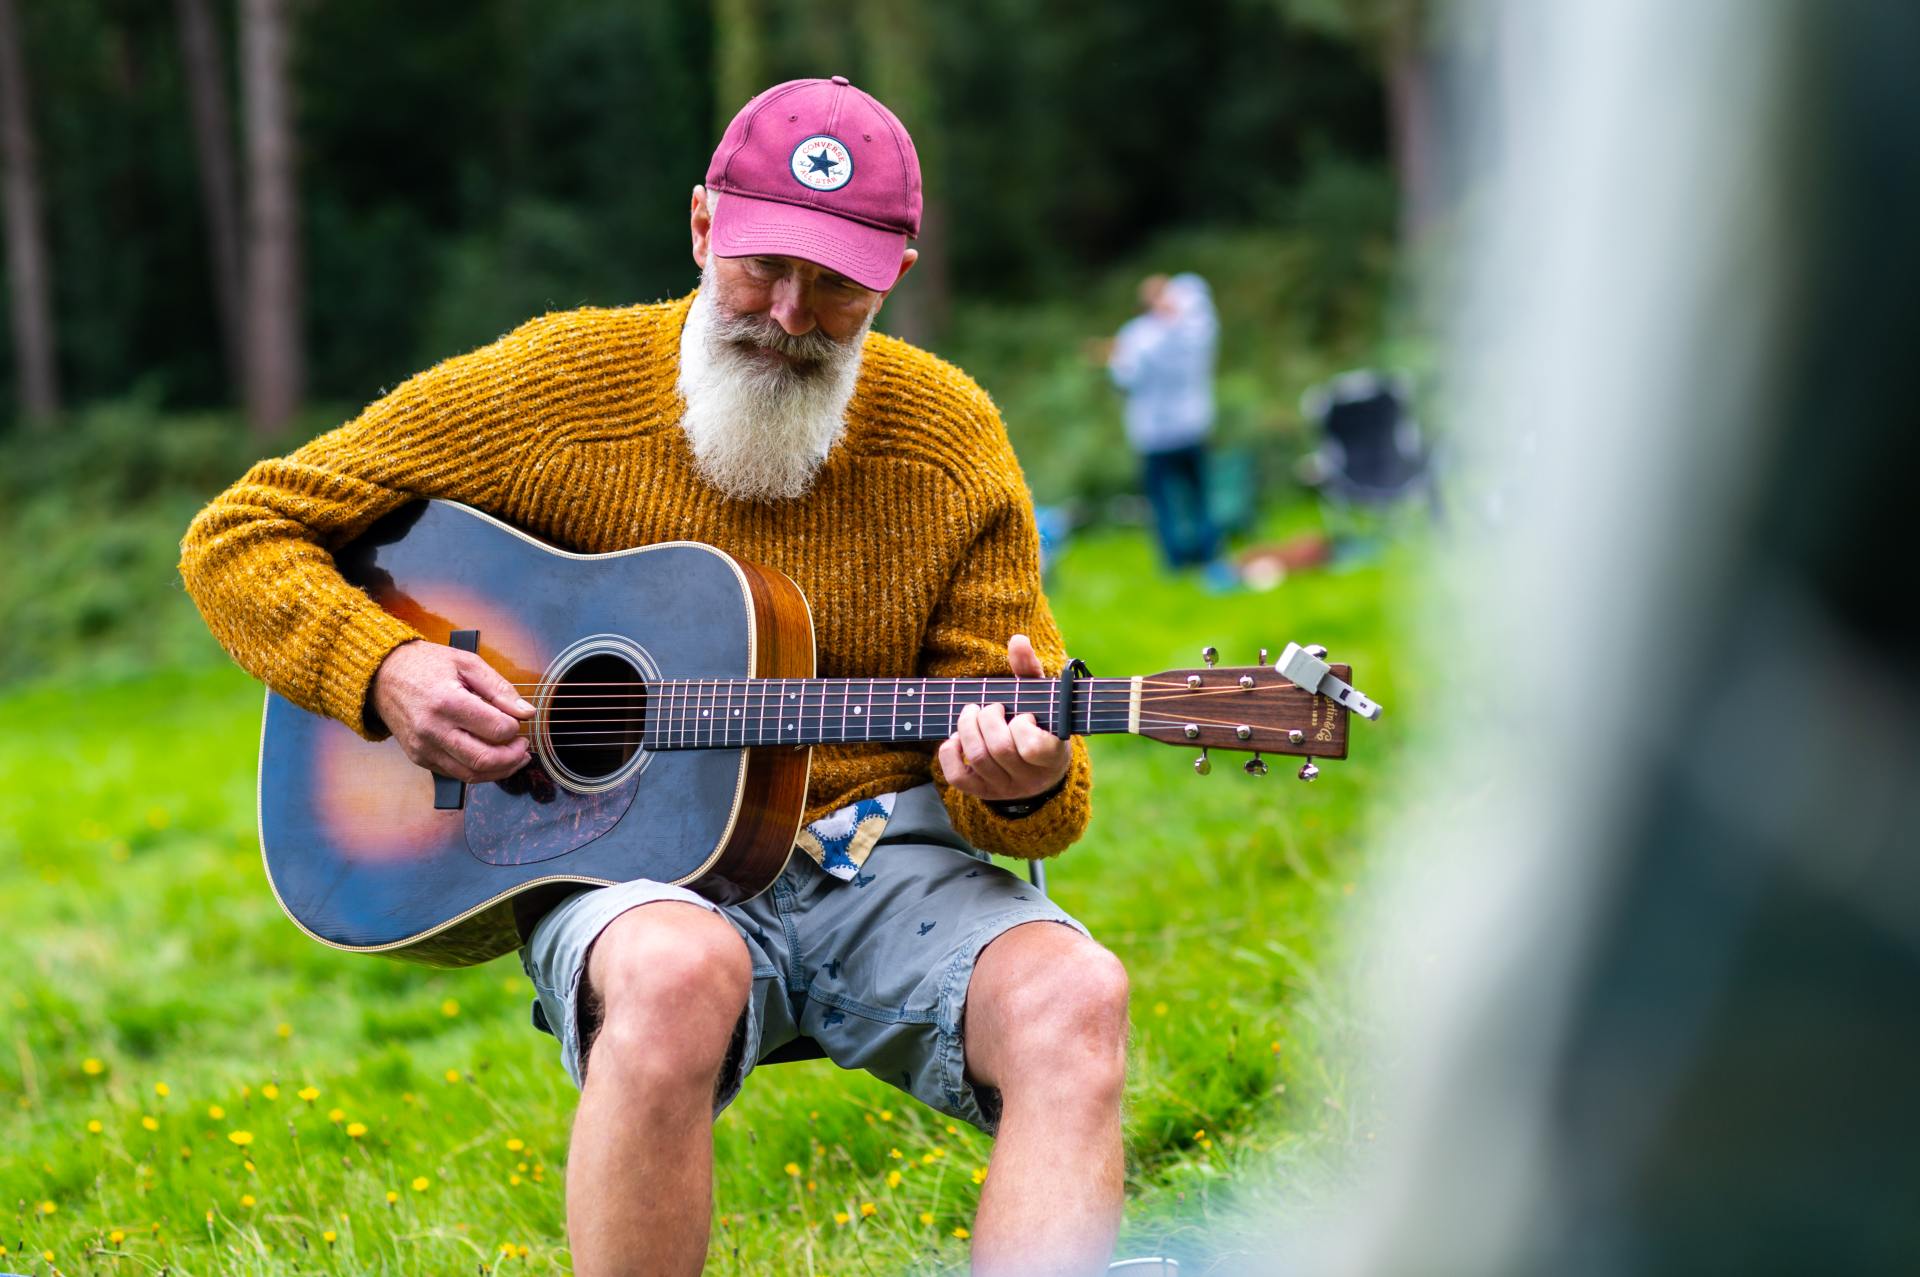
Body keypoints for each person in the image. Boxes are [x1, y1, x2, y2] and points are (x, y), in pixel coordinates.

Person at [179, 77, 1128, 1277]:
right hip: (630, 865)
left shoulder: (949, 438)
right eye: (764, 265)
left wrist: (1027, 771)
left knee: (1078, 996)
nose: (789, 313)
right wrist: (385, 669)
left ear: (893, 272)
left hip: (885, 861)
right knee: (683, 968)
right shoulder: (557, 387)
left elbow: (1035, 797)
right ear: (700, 228)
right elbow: (241, 532)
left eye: (836, 282)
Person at [1106, 272, 1235, 586]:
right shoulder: (1156, 332)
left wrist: (1120, 356)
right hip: (1160, 432)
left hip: (1182, 428)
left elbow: (1125, 377)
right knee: (1175, 500)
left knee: (1190, 496)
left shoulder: (1161, 334)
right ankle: (1187, 559)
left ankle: (1199, 558)